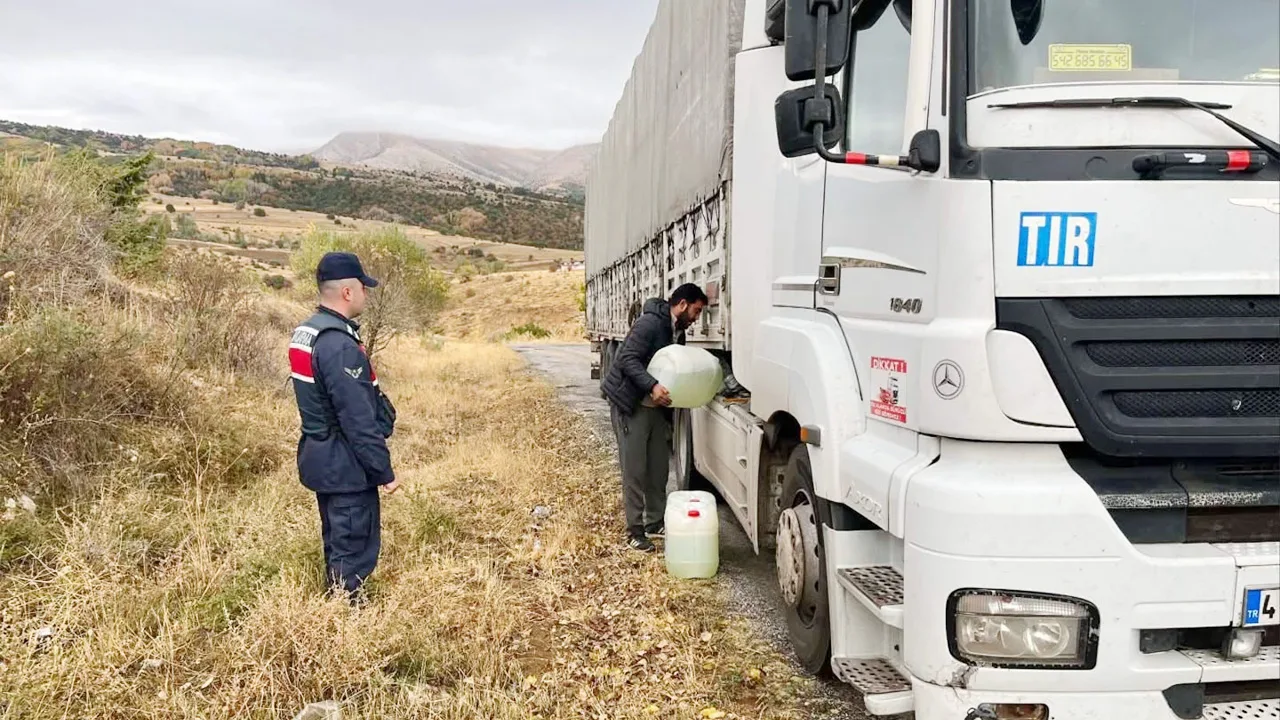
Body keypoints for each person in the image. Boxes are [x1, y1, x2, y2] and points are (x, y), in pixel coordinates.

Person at [288, 251, 399, 602]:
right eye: (363, 287)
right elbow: (358, 419)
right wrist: (384, 471)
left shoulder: (309, 332)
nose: (367, 294)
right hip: (346, 465)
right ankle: (347, 620)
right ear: (348, 292)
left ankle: (338, 606)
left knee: (338, 541)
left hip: (323, 457)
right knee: (353, 550)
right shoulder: (338, 344)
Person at [600, 283, 708, 552]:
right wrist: (652, 385)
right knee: (634, 469)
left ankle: (654, 523)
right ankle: (634, 531)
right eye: (696, 310)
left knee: (658, 468)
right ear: (682, 305)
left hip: (657, 408)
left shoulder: (678, 332)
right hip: (632, 404)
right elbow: (627, 359)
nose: (697, 318)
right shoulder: (650, 323)